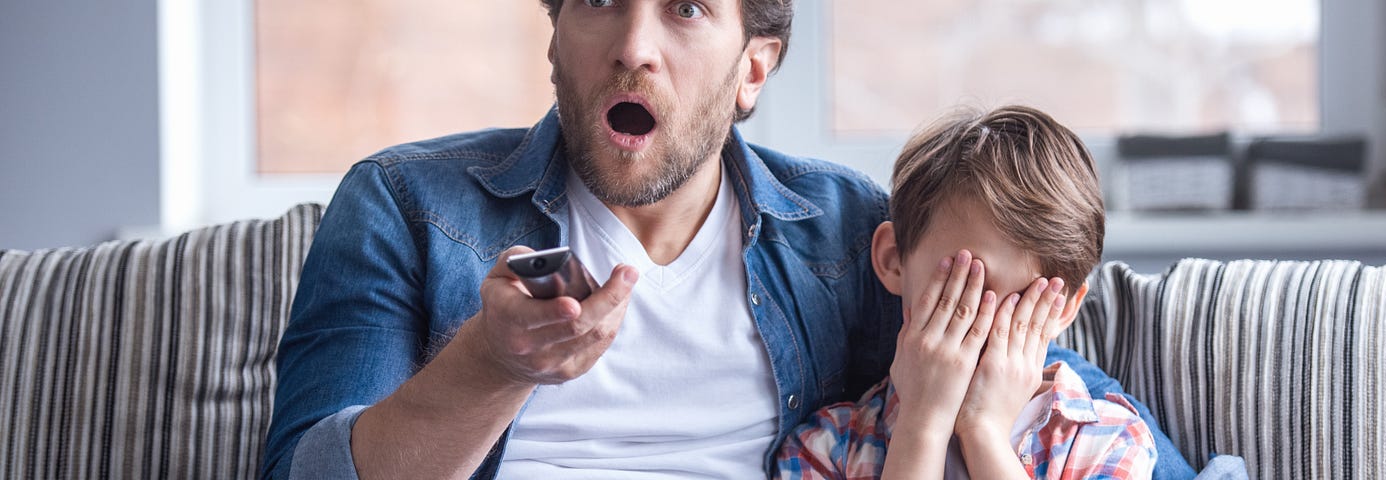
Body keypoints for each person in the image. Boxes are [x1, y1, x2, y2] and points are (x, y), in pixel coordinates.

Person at [261, 1, 1195, 478]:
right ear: (554, 39)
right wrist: (489, 367)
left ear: (755, 67)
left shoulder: (841, 235)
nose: (633, 45)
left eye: (687, 8)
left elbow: (1022, 378)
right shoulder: (405, 206)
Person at [774, 106, 1156, 479]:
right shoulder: (822, 450)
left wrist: (984, 431)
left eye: (1022, 308)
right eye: (966, 293)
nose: (987, 332)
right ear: (894, 260)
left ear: (1063, 309)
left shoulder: (1111, 442)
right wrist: (922, 423)